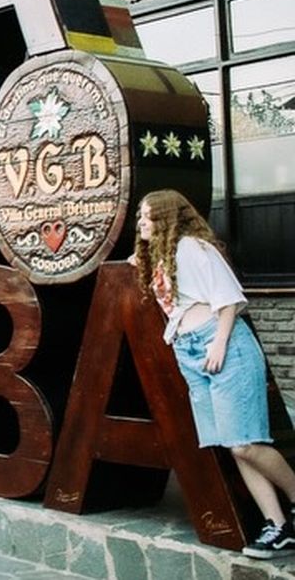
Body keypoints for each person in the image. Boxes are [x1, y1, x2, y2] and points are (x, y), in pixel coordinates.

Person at [133, 189, 295, 559]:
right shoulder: (163, 255)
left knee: (244, 442)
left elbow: (231, 298)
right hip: (190, 352)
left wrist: (219, 343)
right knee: (233, 445)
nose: (140, 222)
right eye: (140, 216)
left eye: (147, 217)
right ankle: (279, 526)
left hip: (221, 347)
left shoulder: (193, 248)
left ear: (167, 219)